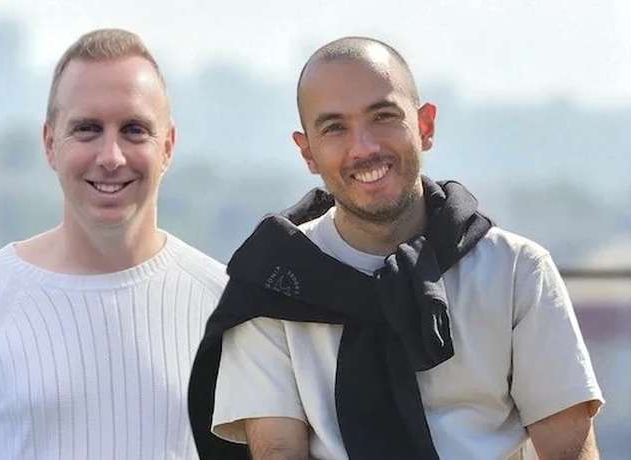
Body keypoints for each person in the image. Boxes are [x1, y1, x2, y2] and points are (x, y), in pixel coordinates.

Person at [189, 37, 603, 460]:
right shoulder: (273, 285)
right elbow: (278, 451)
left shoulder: (516, 271)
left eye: (383, 117)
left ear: (425, 126)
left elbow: (569, 451)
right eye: (334, 128)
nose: (364, 148)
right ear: (307, 152)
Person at [0, 29, 226, 459]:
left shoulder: (221, 302)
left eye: (134, 130)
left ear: (167, 146)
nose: (111, 157)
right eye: (87, 130)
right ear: (50, 143)